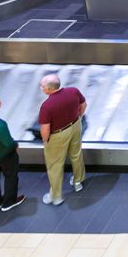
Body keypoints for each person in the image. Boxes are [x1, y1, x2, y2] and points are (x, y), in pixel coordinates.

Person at [37, 74, 86, 205]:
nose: (41, 88)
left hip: (57, 135)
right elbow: (83, 105)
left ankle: (56, 197)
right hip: (75, 125)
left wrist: (45, 140)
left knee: (55, 165)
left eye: (42, 86)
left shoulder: (47, 106)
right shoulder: (73, 91)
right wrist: (78, 117)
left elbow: (45, 128)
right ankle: (78, 182)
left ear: (49, 89)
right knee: (76, 154)